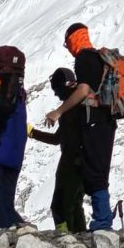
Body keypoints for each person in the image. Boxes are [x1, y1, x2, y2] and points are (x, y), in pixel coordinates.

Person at [45, 24, 115, 231]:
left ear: (73, 39)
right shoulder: (100, 57)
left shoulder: (84, 58)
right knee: (99, 173)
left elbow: (84, 89)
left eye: (68, 43)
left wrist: (58, 111)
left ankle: (101, 223)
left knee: (93, 175)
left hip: (94, 122)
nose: (67, 47)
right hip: (108, 121)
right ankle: (101, 222)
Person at [29, 68, 85, 232]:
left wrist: (32, 133)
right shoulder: (76, 106)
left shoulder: (71, 109)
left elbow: (58, 139)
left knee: (62, 205)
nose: (56, 95)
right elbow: (57, 138)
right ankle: (79, 236)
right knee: (73, 203)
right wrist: (32, 133)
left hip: (72, 160)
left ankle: (67, 237)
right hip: (78, 159)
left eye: (56, 90)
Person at [0, 84, 27, 228]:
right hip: (15, 157)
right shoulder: (21, 99)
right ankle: (15, 230)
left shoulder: (2, 95)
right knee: (7, 202)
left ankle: (3, 234)